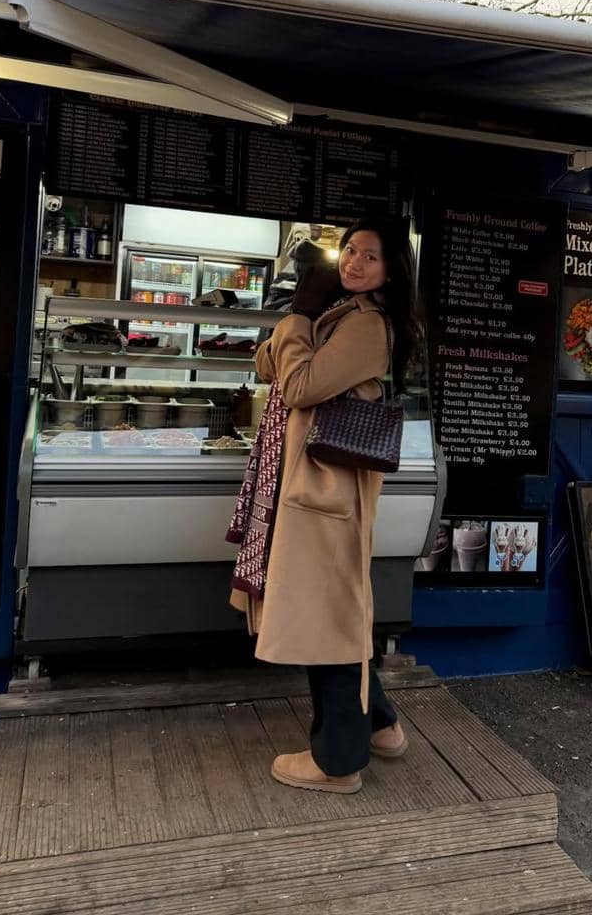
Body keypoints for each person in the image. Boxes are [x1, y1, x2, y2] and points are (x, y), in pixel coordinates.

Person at [226, 216, 420, 794]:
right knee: (334, 610)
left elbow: (303, 386)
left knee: (327, 618)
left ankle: (338, 761)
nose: (354, 263)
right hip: (315, 488)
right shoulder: (340, 314)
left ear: (392, 271)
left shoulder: (365, 326)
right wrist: (302, 323)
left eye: (371, 256)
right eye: (350, 251)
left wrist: (300, 318)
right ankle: (380, 726)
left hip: (329, 493)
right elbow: (269, 366)